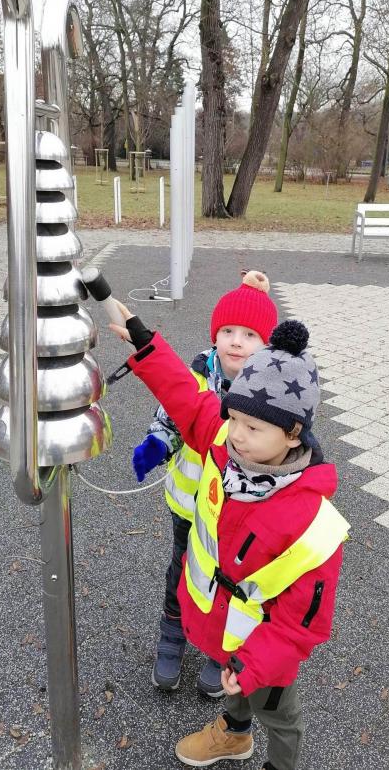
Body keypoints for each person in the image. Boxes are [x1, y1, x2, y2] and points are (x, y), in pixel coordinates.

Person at [111, 304, 349, 770]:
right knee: (234, 686)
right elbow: (187, 398)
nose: (236, 435)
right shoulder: (226, 443)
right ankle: (235, 734)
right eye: (233, 418)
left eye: (252, 427)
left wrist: (254, 664)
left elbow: (302, 624)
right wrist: (146, 343)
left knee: (279, 717)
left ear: (293, 433)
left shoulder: (312, 524)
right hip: (223, 628)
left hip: (265, 652)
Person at [132, 271, 278, 697]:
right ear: (215, 335)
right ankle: (172, 638)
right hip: (189, 506)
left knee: (231, 582)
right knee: (183, 571)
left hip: (237, 515)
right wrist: (159, 443)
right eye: (228, 331)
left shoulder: (271, 391)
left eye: (249, 335)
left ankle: (221, 650)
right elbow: (172, 414)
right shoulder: (196, 375)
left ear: (266, 345)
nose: (236, 342)